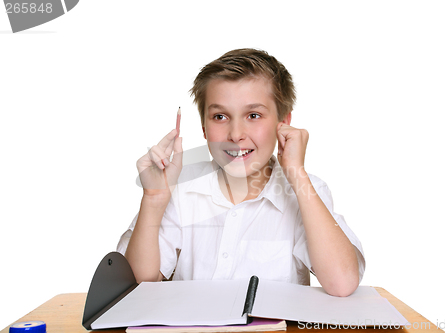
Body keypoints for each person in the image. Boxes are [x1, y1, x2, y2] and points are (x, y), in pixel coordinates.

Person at [117, 48, 365, 297]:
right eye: (220, 116)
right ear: (204, 128)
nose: (236, 134)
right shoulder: (180, 188)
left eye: (253, 115)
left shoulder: (306, 190)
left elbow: (342, 283)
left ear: (283, 123)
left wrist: (296, 173)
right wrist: (153, 200)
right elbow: (140, 284)